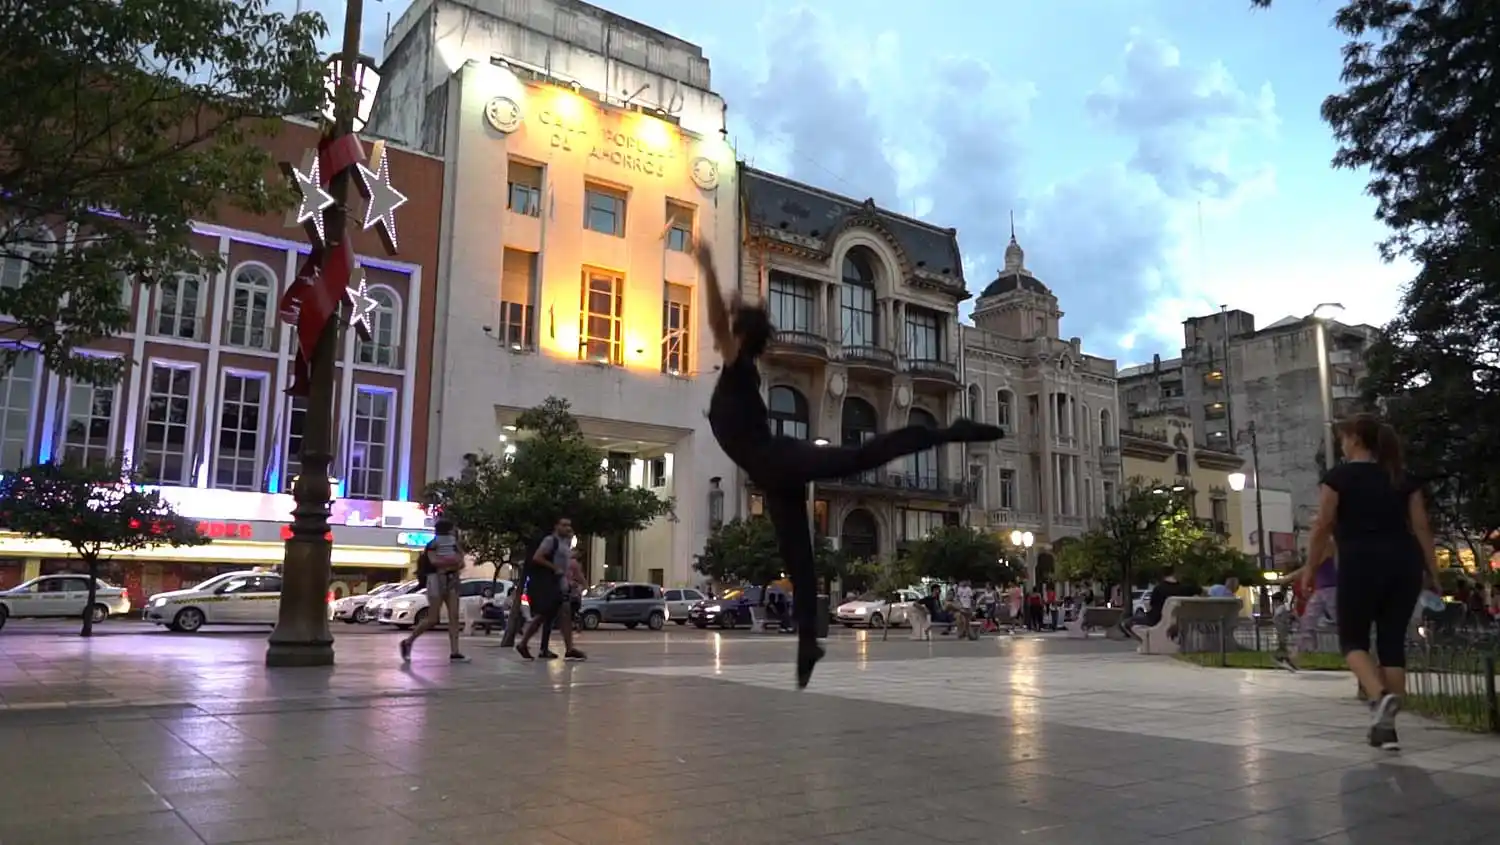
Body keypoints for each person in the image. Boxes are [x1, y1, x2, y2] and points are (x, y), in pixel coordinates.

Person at [695, 243, 1004, 687]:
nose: (722, 334)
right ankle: (808, 642)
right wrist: (729, 297)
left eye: (730, 330)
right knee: (797, 556)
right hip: (770, 471)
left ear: (739, 337)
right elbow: (722, 322)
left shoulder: (739, 367)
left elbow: (715, 321)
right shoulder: (740, 368)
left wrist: (707, 268)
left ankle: (947, 432)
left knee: (858, 458)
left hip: (777, 458)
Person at [1307, 414, 1438, 751]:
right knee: (1392, 642)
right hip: (1405, 563)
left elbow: (1323, 524)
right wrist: (1432, 571)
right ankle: (1386, 730)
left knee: (1352, 640)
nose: (1341, 443)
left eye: (1342, 438)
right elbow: (1422, 527)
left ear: (1354, 439)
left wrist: (1309, 568)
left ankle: (1379, 697)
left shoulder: (1338, 477)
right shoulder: (1401, 478)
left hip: (1360, 562)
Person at [516, 518, 585, 662]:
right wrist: (555, 569)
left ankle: (569, 648)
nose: (567, 528)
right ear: (556, 526)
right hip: (550, 584)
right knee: (543, 615)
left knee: (561, 614)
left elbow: (569, 566)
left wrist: (570, 580)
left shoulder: (565, 544)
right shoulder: (550, 541)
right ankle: (524, 643)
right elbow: (537, 557)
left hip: (560, 584)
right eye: (564, 525)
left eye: (569, 526)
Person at [400, 519, 467, 663]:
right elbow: (435, 562)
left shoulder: (455, 545)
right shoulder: (433, 545)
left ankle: (455, 652)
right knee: (433, 618)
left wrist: (448, 564)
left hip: (452, 580)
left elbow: (461, 562)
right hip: (436, 581)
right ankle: (408, 641)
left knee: (454, 616)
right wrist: (452, 562)